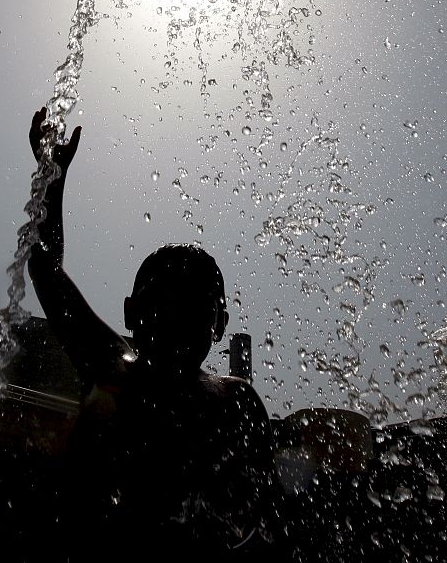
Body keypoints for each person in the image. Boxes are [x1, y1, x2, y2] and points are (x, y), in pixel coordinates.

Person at [27, 107, 287, 562]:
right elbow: (44, 268)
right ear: (131, 314)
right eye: (162, 301)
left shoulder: (237, 398)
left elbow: (261, 508)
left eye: (194, 304)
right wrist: (52, 176)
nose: (176, 314)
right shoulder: (114, 365)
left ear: (219, 325)